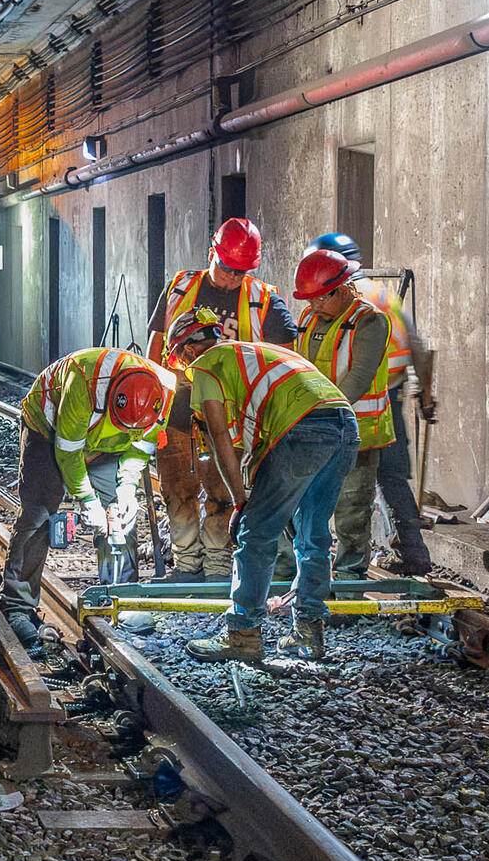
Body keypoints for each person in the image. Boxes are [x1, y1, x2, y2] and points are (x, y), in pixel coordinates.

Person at [164, 308, 355, 665]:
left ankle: (244, 635)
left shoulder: (206, 364)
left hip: (300, 430)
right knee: (313, 535)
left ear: (188, 350)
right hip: (344, 426)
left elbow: (220, 438)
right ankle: (309, 633)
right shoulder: (258, 353)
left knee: (255, 534)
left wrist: (240, 502)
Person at [146, 216, 297, 580]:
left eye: (240, 272)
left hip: (231, 415)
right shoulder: (181, 287)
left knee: (223, 490)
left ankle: (217, 563)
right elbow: (155, 345)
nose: (231, 277)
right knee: (177, 487)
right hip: (179, 408)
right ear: (213, 253)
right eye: (227, 268)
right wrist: (152, 406)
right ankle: (185, 563)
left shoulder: (262, 299)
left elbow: (287, 352)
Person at [1, 347, 173, 645]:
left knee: (120, 517)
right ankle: (17, 605)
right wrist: (89, 502)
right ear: (110, 400)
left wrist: (127, 488)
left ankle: (120, 598)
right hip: (49, 432)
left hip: (110, 444)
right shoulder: (83, 384)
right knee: (39, 514)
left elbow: (141, 449)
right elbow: (69, 457)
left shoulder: (164, 393)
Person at [312, 230, 436, 574]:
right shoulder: (383, 295)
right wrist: (424, 393)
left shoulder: (340, 301)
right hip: (386, 404)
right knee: (391, 479)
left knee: (351, 490)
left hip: (348, 406)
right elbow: (416, 345)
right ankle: (413, 554)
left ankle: (347, 563)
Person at [291, 247, 394, 577]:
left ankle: (349, 584)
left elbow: (359, 378)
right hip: (315, 433)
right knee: (305, 511)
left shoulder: (369, 322)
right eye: (310, 300)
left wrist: (319, 416)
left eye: (321, 299)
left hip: (357, 436)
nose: (314, 306)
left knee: (351, 514)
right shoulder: (308, 319)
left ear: (342, 288)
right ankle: (308, 580)